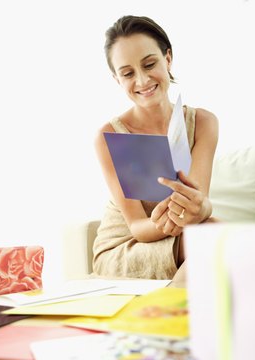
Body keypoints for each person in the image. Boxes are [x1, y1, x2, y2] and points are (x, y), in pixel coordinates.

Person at [92, 15, 219, 285]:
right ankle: (170, 312)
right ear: (116, 79)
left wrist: (199, 210)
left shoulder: (203, 123)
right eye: (127, 73)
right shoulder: (110, 135)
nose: (142, 80)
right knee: (213, 235)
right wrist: (179, 219)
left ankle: (166, 310)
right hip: (124, 246)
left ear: (168, 59)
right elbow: (138, 227)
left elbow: (196, 206)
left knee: (215, 235)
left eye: (150, 64)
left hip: (182, 236)